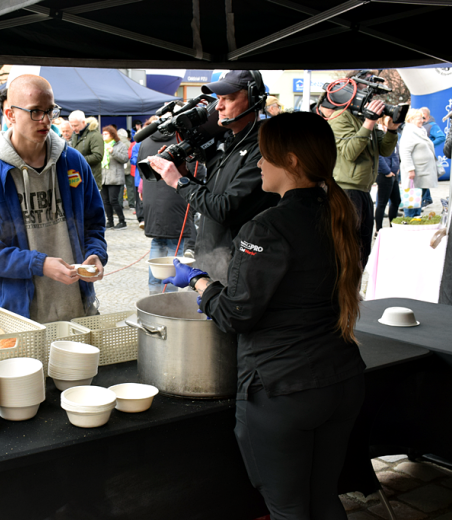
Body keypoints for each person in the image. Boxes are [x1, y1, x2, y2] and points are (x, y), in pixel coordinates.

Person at [164, 112, 366, 519]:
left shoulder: (267, 228)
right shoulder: (342, 211)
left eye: (265, 157)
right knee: (324, 498)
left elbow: (236, 314)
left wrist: (200, 282)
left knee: (288, 508)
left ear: (291, 161)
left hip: (283, 389)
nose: (258, 164)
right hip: (342, 379)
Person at [0, 74, 107, 322]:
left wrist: (95, 253)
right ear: (10, 115)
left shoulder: (73, 161)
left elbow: (94, 222)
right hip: (19, 311)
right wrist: (37, 264)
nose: (46, 120)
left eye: (50, 111)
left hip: (77, 307)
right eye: (35, 112)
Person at [148, 70, 279, 283]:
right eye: (218, 99)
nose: (218, 107)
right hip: (212, 259)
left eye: (228, 98)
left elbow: (226, 209)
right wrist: (186, 177)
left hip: (239, 268)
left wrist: (180, 183)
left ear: (254, 99)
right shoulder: (228, 143)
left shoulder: (263, 148)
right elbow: (213, 198)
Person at [328, 87, 399, 269]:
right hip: (346, 191)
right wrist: (368, 123)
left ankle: (355, 290)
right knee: (348, 249)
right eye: (369, 98)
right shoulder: (340, 118)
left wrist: (391, 131)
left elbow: (384, 150)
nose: (372, 102)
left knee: (363, 249)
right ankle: (342, 293)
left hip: (363, 190)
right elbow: (350, 153)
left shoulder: (363, 119)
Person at [137, 123, 195, 294]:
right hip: (176, 200)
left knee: (158, 243)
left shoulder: (145, 141)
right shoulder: (182, 141)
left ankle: (154, 294)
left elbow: (141, 172)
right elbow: (194, 174)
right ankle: (168, 298)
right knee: (174, 250)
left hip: (152, 201)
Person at [399, 109, 439, 218]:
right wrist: (410, 169)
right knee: (412, 198)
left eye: (422, 118)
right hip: (415, 173)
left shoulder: (420, 131)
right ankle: (411, 219)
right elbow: (405, 152)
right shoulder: (409, 132)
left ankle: (416, 218)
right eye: (419, 118)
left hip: (423, 171)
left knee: (418, 198)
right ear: (411, 119)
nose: (422, 120)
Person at [100, 125, 129, 230]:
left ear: (112, 134)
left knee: (114, 200)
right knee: (105, 201)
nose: (104, 135)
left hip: (115, 177)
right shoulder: (101, 145)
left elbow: (125, 159)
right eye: (103, 133)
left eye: (106, 134)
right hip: (103, 177)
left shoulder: (120, 145)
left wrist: (113, 151)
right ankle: (110, 221)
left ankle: (122, 221)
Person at [375, 116, 401, 232]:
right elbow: (379, 156)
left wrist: (396, 168)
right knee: (382, 203)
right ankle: (378, 229)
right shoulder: (380, 134)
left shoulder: (392, 135)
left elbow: (395, 153)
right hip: (384, 174)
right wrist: (387, 171)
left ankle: (393, 226)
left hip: (394, 174)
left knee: (396, 201)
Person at [418, 107, 446, 207]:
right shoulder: (420, 126)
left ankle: (422, 200)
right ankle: (427, 198)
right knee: (423, 178)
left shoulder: (432, 126)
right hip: (421, 155)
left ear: (426, 115)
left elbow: (441, 137)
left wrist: (430, 144)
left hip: (426, 155)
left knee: (423, 178)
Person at [69, 110, 103, 189]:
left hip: (91, 177)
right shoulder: (75, 135)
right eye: (72, 126)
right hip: (77, 177)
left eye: (76, 125)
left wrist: (78, 160)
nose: (73, 128)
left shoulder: (95, 135)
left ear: (83, 122)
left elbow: (98, 156)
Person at [116, 128, 135, 210]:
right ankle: (131, 204)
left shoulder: (117, 144)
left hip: (119, 167)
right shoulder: (129, 143)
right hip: (129, 167)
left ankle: (120, 204)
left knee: (120, 187)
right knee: (130, 186)